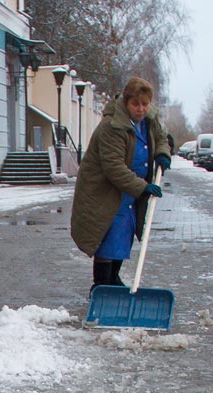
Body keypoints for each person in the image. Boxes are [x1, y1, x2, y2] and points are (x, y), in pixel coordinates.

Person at [70, 77, 172, 292]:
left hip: (129, 191)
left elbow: (162, 137)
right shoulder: (112, 126)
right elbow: (113, 166)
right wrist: (143, 187)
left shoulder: (149, 120)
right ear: (126, 102)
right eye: (136, 104)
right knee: (108, 235)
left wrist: (163, 153)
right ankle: (101, 285)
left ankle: (113, 279)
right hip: (106, 190)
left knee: (124, 233)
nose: (141, 109)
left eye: (145, 104)